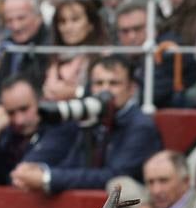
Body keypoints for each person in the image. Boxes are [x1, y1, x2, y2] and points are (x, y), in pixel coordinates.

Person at [9, 54, 162, 193]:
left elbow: (114, 177)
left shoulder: (140, 126)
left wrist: (47, 178)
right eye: (99, 83)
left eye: (114, 83)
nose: (105, 91)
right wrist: (37, 170)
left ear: (131, 89)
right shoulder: (91, 117)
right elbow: (74, 164)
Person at [0, 73, 80, 184]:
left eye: (24, 109)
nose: (19, 120)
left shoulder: (60, 127)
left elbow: (22, 175)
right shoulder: (6, 134)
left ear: (40, 101)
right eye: (11, 113)